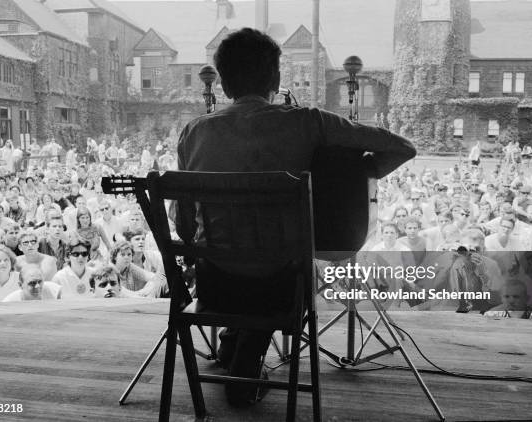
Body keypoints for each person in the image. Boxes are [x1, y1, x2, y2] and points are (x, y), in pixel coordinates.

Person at [175, 28, 416, 406]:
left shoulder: (193, 133)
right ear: (277, 78)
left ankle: (235, 341)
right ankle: (246, 356)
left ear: (221, 83)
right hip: (280, 287)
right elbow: (403, 147)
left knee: (244, 262)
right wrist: (353, 178)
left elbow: (183, 224)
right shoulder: (309, 122)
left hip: (215, 285)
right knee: (283, 265)